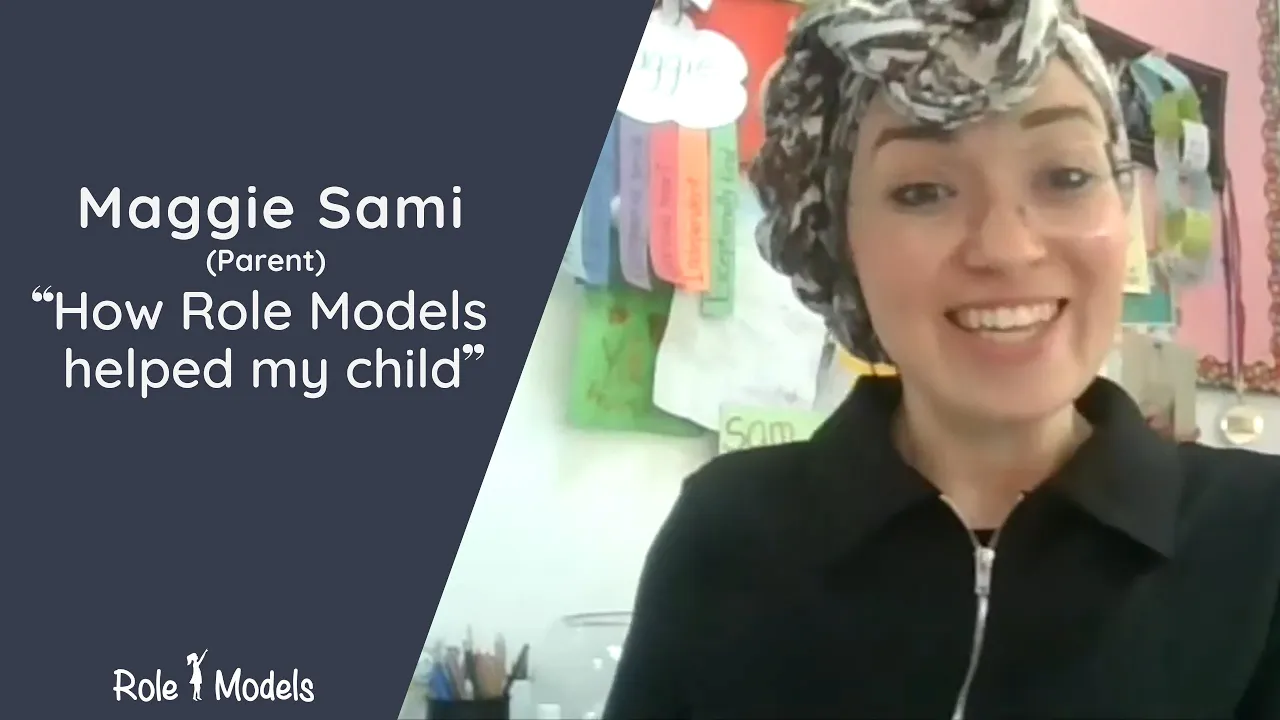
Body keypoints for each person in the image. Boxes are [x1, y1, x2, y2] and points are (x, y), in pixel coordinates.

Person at [603, 1, 1280, 718]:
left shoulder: (1260, 538)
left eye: (1066, 176)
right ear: (839, 238)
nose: (1007, 248)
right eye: (923, 191)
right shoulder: (729, 531)